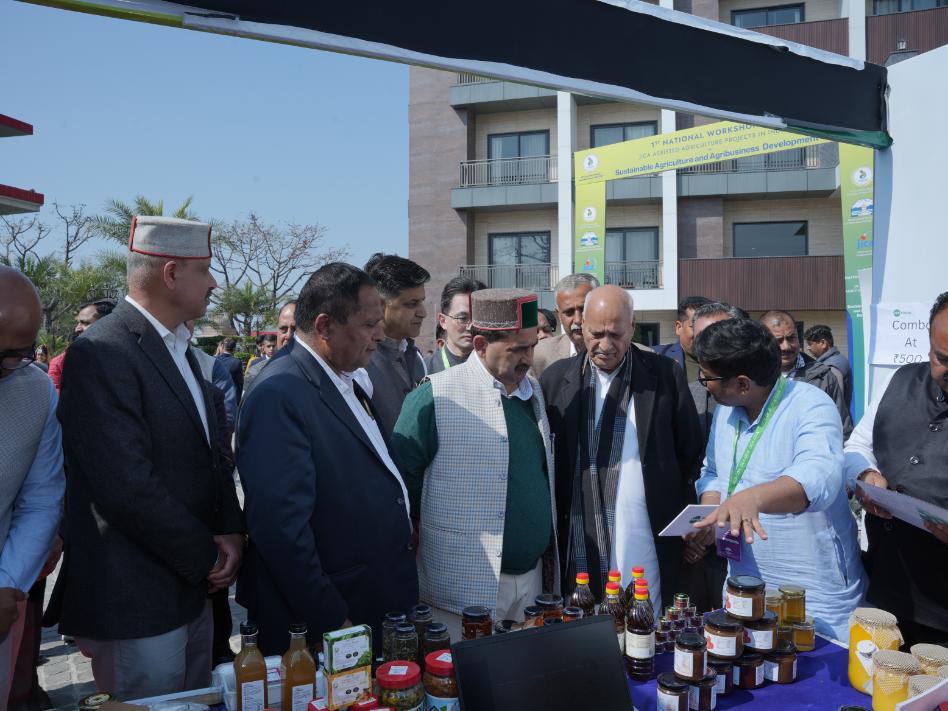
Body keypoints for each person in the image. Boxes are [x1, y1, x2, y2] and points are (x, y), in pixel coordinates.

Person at [54, 216, 244, 699]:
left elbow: (212, 455)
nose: (214, 283)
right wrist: (206, 555)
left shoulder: (181, 349)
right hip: (136, 598)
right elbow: (124, 484)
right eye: (205, 270)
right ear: (171, 274)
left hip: (192, 590)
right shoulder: (103, 351)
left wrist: (229, 529)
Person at [237, 263, 418, 655]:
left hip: (371, 600)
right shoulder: (279, 393)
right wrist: (331, 618)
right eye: (369, 324)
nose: (380, 334)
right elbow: (281, 530)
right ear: (324, 326)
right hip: (332, 620)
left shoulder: (344, 376)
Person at [393, 288, 558, 638]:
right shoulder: (435, 395)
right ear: (481, 345)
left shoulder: (534, 392)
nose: (528, 358)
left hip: (531, 585)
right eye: (517, 349)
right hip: (462, 591)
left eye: (532, 346)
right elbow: (401, 486)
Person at [692, 319, 866, 641]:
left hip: (813, 595)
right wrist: (711, 515)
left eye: (708, 377)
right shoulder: (726, 411)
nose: (703, 384)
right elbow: (714, 473)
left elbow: (820, 477)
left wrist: (753, 498)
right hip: (744, 585)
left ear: (742, 383)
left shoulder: (810, 405)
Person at [541, 285, 704, 609]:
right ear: (581, 327)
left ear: (632, 327)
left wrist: (688, 524)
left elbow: (690, 453)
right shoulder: (556, 380)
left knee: (643, 619)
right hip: (580, 534)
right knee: (584, 623)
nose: (605, 345)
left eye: (615, 335)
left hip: (645, 531)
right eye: (596, 333)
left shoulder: (664, 376)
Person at [844, 293, 948, 646]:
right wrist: (865, 476)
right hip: (882, 587)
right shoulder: (900, 380)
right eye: (943, 358)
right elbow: (857, 446)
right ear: (929, 346)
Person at [0, 266, 65, 706]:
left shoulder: (36, 392)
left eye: (16, 354)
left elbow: (41, 499)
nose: (5, 367)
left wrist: (8, 584)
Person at [364, 253, 430, 434]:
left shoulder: (416, 357)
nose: (423, 312)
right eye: (412, 304)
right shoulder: (358, 363)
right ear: (381, 305)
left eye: (422, 302)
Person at [759, 310, 853, 438]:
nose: (786, 346)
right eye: (778, 340)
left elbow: (842, 429)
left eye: (791, 338)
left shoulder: (823, 376)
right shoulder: (753, 379)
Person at [530, 273, 600, 379]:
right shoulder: (538, 356)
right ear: (559, 315)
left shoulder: (622, 352)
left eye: (584, 309)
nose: (578, 320)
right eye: (569, 312)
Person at [48, 299, 116, 392]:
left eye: (85, 323)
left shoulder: (128, 359)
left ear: (107, 325)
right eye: (78, 323)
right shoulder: (60, 363)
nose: (77, 329)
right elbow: (56, 395)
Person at [426, 276, 485, 374]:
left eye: (477, 319)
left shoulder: (497, 370)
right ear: (443, 321)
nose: (471, 327)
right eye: (463, 318)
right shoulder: (424, 370)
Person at [243, 303, 296, 396]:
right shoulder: (255, 371)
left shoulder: (317, 372)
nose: (288, 336)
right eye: (283, 329)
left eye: (295, 329)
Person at [654, 296, 712, 379]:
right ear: (679, 327)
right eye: (694, 327)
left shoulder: (725, 361)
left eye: (708, 328)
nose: (702, 334)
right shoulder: (657, 357)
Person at [805, 323, 853, 409]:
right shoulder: (838, 359)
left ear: (823, 343)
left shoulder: (831, 366)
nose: (808, 348)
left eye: (810, 344)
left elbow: (837, 402)